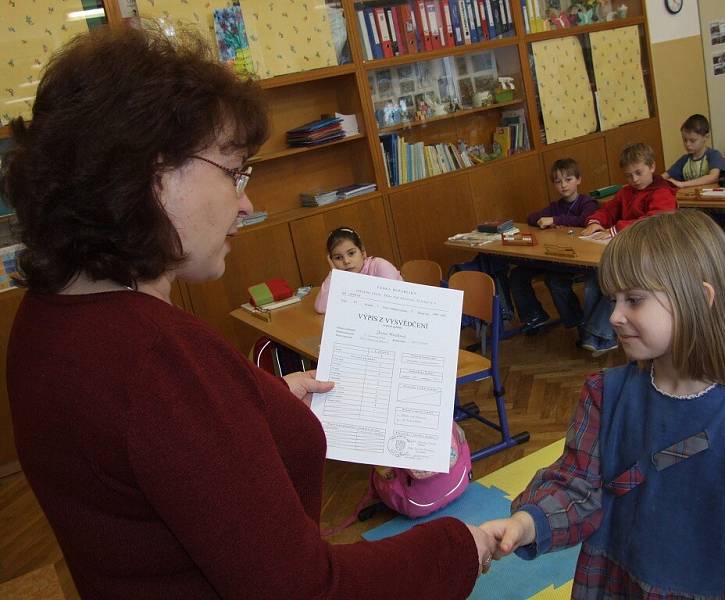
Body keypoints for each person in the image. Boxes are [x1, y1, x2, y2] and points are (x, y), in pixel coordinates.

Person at [1, 26, 496, 599]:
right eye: (234, 171)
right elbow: (307, 591)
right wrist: (460, 545)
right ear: (150, 174)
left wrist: (253, 411)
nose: (246, 202)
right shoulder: (158, 358)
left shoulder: (45, 322)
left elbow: (156, 473)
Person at [479, 210, 725, 595]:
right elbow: (579, 487)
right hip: (611, 581)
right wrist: (527, 524)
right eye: (613, 299)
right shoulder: (604, 394)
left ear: (699, 299)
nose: (613, 316)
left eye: (634, 299)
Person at [578, 142, 677, 356]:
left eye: (638, 173)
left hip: (652, 254)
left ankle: (603, 336)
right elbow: (609, 211)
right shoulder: (626, 192)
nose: (634, 180)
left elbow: (655, 222)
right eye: (628, 175)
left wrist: (616, 230)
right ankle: (593, 333)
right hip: (626, 252)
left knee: (614, 285)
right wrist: (595, 222)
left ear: (652, 167)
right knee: (592, 285)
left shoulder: (662, 192)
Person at [508, 159, 598, 334]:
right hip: (552, 257)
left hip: (575, 259)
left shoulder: (587, 202)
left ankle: (579, 324)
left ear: (579, 180)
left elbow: (585, 220)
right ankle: (534, 316)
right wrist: (546, 221)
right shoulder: (555, 206)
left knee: (554, 281)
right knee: (517, 274)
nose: (563, 185)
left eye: (568, 179)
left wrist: (556, 221)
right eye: (558, 182)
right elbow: (531, 218)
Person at [314, 226, 402, 313]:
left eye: (351, 253)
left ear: (363, 252)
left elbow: (394, 303)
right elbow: (320, 307)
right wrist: (333, 273)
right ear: (331, 261)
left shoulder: (380, 266)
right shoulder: (339, 277)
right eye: (338, 258)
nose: (346, 261)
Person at [662, 114, 725, 188]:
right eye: (685, 140)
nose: (688, 144)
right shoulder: (684, 160)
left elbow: (714, 177)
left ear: (706, 137)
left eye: (692, 140)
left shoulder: (714, 155)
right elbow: (664, 177)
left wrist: (682, 184)